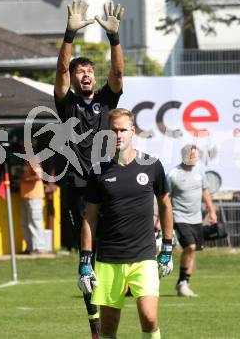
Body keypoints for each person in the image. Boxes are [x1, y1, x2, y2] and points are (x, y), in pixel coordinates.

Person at [54, 0, 125, 338]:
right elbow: (60, 69)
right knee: (87, 265)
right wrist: (69, 33)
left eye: (89, 71)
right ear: (72, 79)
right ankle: (95, 328)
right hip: (79, 186)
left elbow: (119, 74)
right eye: (79, 71)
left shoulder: (106, 102)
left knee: (112, 253)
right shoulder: (65, 103)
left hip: (107, 182)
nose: (85, 75)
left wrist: (114, 39)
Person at [78, 108, 174, 339]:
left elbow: (165, 205)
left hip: (144, 257)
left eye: (123, 130)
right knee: (108, 329)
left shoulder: (152, 165)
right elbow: (89, 219)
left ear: (133, 131)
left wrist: (168, 248)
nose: (118, 135)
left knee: (150, 318)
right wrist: (84, 262)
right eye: (113, 130)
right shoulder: (98, 171)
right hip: (109, 259)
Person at [167, 144, 217, 297]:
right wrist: (161, 220)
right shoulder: (173, 174)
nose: (196, 157)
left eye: (196, 155)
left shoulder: (199, 172)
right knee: (190, 246)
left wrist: (212, 211)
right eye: (192, 155)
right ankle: (182, 282)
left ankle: (184, 284)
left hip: (197, 219)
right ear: (184, 156)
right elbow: (166, 199)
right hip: (179, 216)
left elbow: (205, 192)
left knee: (193, 250)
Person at [19, 155, 45, 254]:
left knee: (35, 222)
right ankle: (30, 247)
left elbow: (38, 176)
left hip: (34, 195)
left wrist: (24, 180)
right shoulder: (27, 159)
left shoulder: (34, 159)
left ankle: (38, 248)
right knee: (25, 223)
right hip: (25, 195)